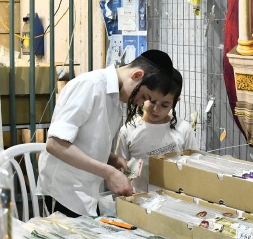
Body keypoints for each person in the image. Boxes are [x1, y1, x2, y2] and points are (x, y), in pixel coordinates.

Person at [38, 49, 180, 217]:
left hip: (87, 192)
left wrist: (111, 159)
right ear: (137, 75)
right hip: (64, 191)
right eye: (144, 96)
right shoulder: (91, 86)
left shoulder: (114, 97)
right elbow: (55, 144)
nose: (140, 103)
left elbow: (86, 141)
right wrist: (108, 172)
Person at [115, 68, 198, 193]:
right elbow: (119, 169)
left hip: (175, 198)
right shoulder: (129, 130)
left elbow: (194, 166)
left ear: (175, 102)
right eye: (152, 101)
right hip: (139, 197)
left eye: (164, 105)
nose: (156, 109)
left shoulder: (183, 129)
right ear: (144, 95)